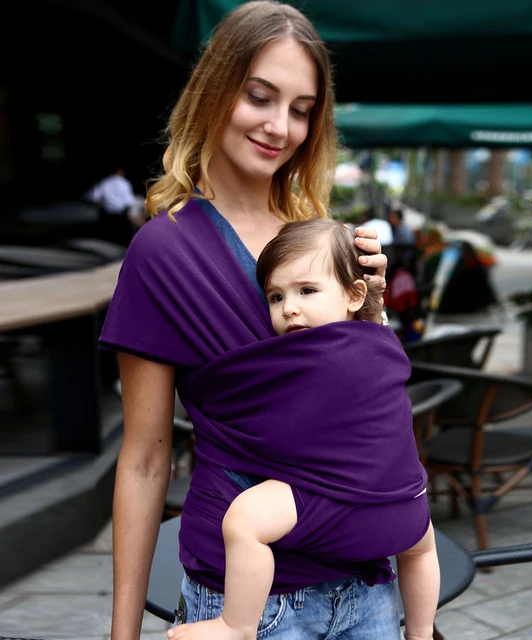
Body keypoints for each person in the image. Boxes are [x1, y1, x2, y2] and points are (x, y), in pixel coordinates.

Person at [97, 2, 413, 639]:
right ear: (214, 91)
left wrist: (371, 314)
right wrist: (122, 634)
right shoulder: (164, 251)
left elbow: (367, 411)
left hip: (367, 586)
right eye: (259, 97)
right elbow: (145, 459)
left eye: (301, 109)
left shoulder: (319, 238)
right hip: (249, 604)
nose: (279, 126)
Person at [167, 219, 439, 640]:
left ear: (354, 294)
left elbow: (273, 426)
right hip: (403, 503)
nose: (289, 308)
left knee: (244, 520)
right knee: (422, 550)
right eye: (276, 297)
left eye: (307, 291)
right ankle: (420, 632)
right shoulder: (384, 342)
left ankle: (237, 624)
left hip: (332, 501)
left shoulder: (306, 353)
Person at [84, 165, 139, 245]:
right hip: (121, 213)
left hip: (107, 213)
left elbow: (93, 197)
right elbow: (129, 201)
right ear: (122, 172)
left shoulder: (104, 182)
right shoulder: (124, 183)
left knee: (107, 236)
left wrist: (102, 206)